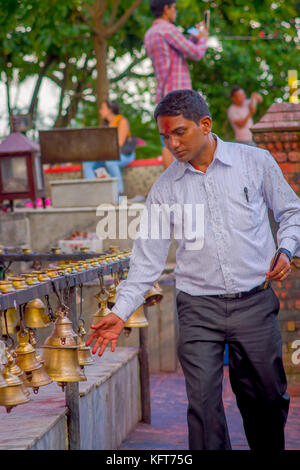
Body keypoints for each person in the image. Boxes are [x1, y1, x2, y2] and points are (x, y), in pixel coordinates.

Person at [86, 89, 300, 450]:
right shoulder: (165, 189)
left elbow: (291, 212)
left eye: (179, 132)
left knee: (267, 400)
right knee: (202, 409)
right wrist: (120, 311)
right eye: (164, 136)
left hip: (255, 303)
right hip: (199, 309)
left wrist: (286, 248)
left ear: (205, 125)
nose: (172, 144)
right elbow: (146, 259)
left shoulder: (254, 162)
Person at [144, 0, 209, 169]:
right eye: (174, 7)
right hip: (179, 94)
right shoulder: (168, 29)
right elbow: (195, 53)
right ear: (166, 8)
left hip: (162, 94)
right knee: (183, 139)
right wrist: (203, 38)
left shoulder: (150, 33)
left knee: (168, 140)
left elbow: (177, 50)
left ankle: (172, 187)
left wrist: (193, 36)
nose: (175, 11)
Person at [82, 100, 136, 195]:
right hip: (108, 155)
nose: (100, 111)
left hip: (124, 154)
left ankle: (119, 194)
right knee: (87, 163)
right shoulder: (104, 125)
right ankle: (93, 192)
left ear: (110, 110)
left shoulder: (122, 121)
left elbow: (119, 143)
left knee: (110, 162)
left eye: (102, 108)